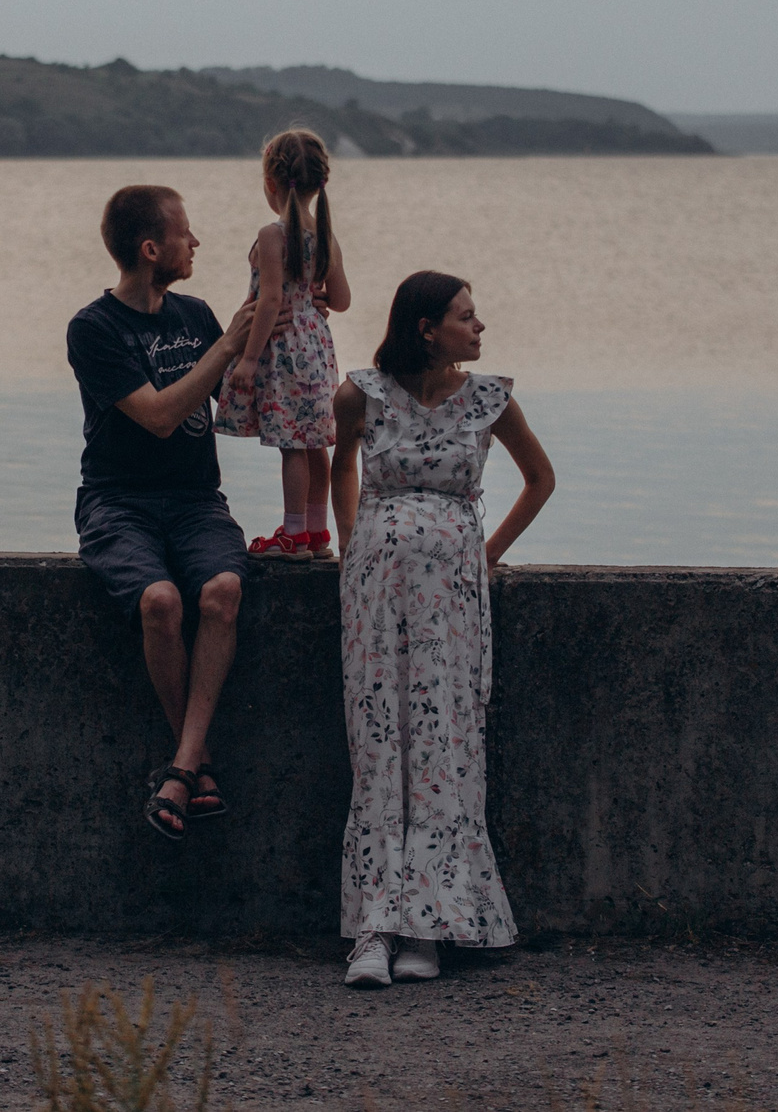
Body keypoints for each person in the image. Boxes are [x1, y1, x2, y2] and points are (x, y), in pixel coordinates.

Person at [329, 270, 556, 988]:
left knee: (440, 745)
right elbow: (340, 468)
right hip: (376, 595)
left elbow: (540, 479)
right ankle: (374, 927)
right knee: (379, 744)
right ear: (427, 326)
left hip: (451, 601)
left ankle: (430, 923)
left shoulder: (490, 399)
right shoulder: (360, 393)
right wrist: (350, 544)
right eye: (466, 316)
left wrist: (484, 555)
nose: (479, 327)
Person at [67, 184, 259, 842]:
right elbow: (157, 414)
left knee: (224, 591)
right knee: (159, 603)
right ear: (152, 250)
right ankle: (197, 763)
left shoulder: (197, 314)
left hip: (195, 502)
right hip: (116, 502)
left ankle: (181, 764)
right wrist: (228, 345)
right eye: (185, 233)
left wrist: (277, 327)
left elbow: (229, 396)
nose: (196, 242)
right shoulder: (94, 329)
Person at [215, 128, 353, 557]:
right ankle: (317, 533)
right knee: (313, 441)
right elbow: (343, 300)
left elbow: (270, 299)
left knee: (293, 444)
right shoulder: (325, 233)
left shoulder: (274, 234)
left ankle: (292, 535)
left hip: (284, 348)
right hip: (316, 345)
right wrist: (316, 298)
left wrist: (249, 360)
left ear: (270, 182)